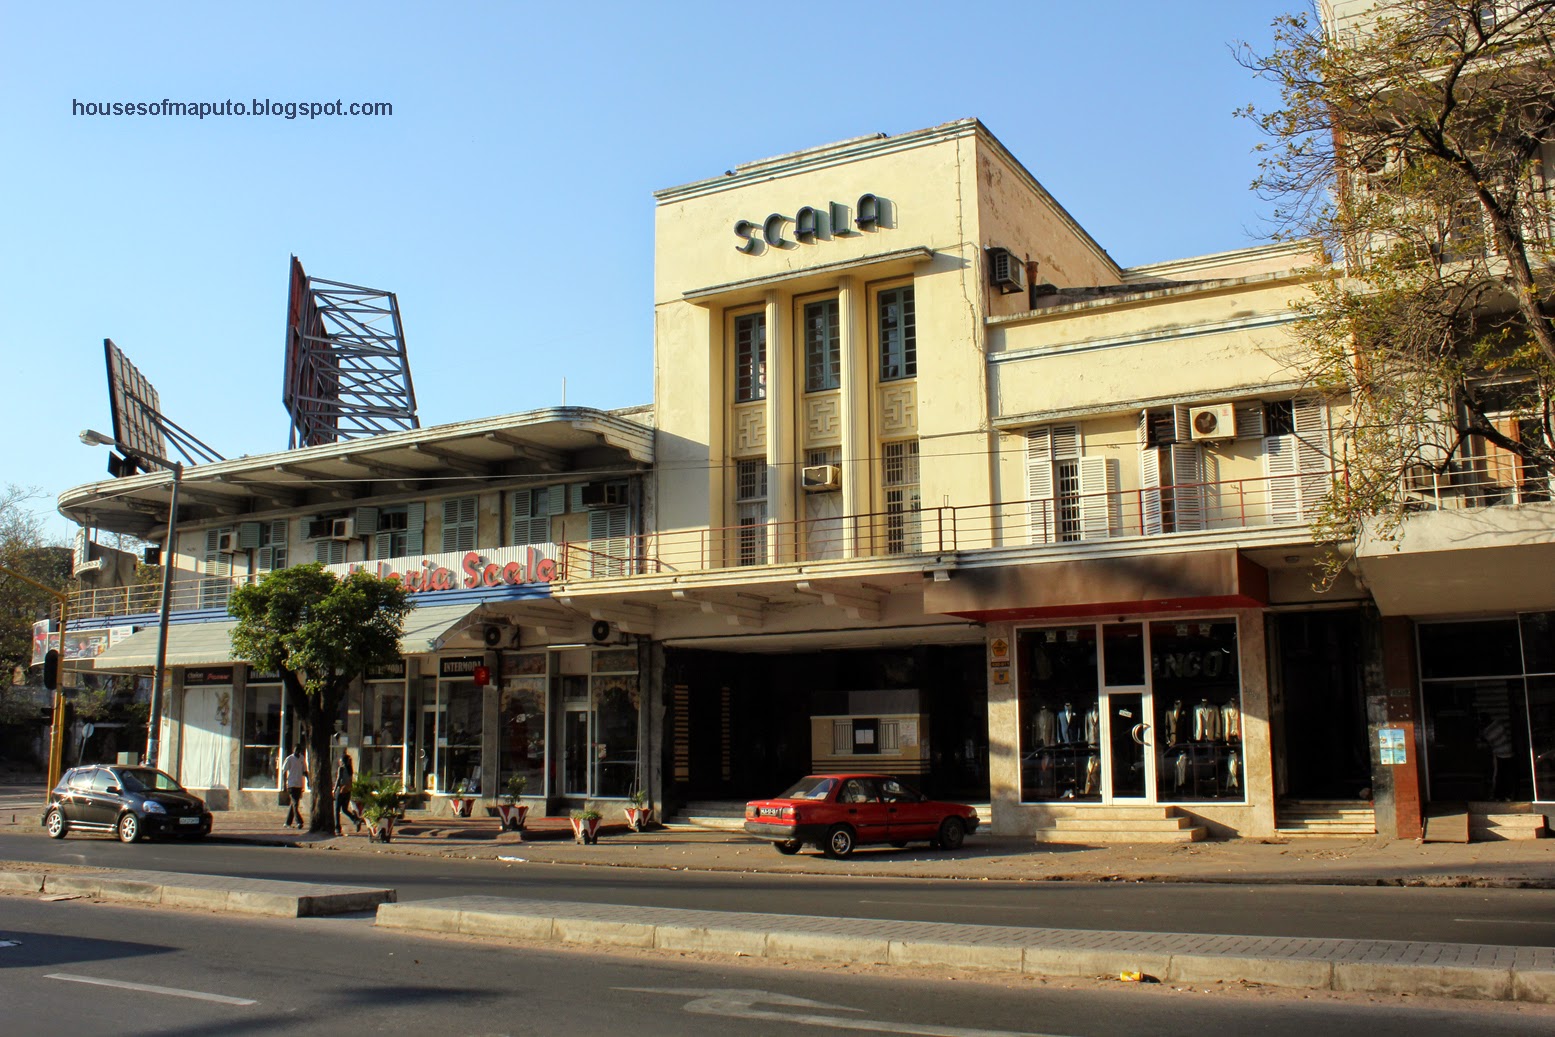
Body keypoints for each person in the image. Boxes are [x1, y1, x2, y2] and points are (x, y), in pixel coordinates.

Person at [334, 751, 362, 835]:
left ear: (343, 761)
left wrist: (335, 790)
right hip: (348, 791)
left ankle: (337, 827)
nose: (340, 762)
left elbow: (338, 779)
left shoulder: (341, 768)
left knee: (337, 809)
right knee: (344, 809)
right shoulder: (350, 769)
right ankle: (355, 820)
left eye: (341, 760)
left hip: (341, 790)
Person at [281, 743, 307, 830]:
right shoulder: (289, 759)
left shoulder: (302, 758)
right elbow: (284, 771)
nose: (297, 752)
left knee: (294, 804)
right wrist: (284, 784)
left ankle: (287, 822)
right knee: (295, 804)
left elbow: (304, 770)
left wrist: (308, 780)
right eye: (296, 750)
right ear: (293, 750)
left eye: (299, 750)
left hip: (299, 784)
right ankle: (299, 821)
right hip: (291, 784)